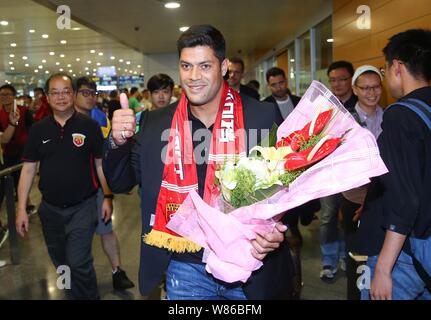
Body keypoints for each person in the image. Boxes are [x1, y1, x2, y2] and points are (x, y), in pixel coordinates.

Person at [104, 24, 294, 300]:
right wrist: (117, 142)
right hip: (184, 265)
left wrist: (276, 230)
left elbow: (292, 187)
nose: (193, 76)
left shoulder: (262, 116)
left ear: (224, 66)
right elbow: (121, 183)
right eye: (186, 66)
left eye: (205, 66)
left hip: (249, 264)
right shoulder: (156, 123)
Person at [16, 73, 110, 299]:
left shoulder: (89, 126)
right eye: (55, 92)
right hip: (50, 210)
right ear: (47, 97)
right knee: (60, 262)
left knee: (78, 261)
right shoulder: (38, 130)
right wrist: (21, 209)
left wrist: (107, 196)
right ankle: (70, 293)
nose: (61, 97)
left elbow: (100, 165)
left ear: (73, 95)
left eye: (66, 91)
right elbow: (28, 169)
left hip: (83, 207)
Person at [355, 28, 431, 300]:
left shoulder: (400, 115)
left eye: (384, 69)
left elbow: (404, 200)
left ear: (397, 66)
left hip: (405, 253)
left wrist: (384, 270)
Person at [74, 77, 134, 291]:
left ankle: (117, 271)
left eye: (93, 93)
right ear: (74, 94)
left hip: (98, 188)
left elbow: (105, 158)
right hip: (72, 195)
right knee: (75, 242)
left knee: (106, 230)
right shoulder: (63, 121)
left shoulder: (100, 119)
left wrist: (111, 190)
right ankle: (74, 281)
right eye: (85, 93)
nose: (90, 97)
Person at [340, 65, 384, 299]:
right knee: (357, 257)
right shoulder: (346, 120)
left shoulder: (389, 116)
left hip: (380, 198)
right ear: (355, 89)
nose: (371, 92)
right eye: (365, 88)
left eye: (376, 87)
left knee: (379, 255)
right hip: (354, 198)